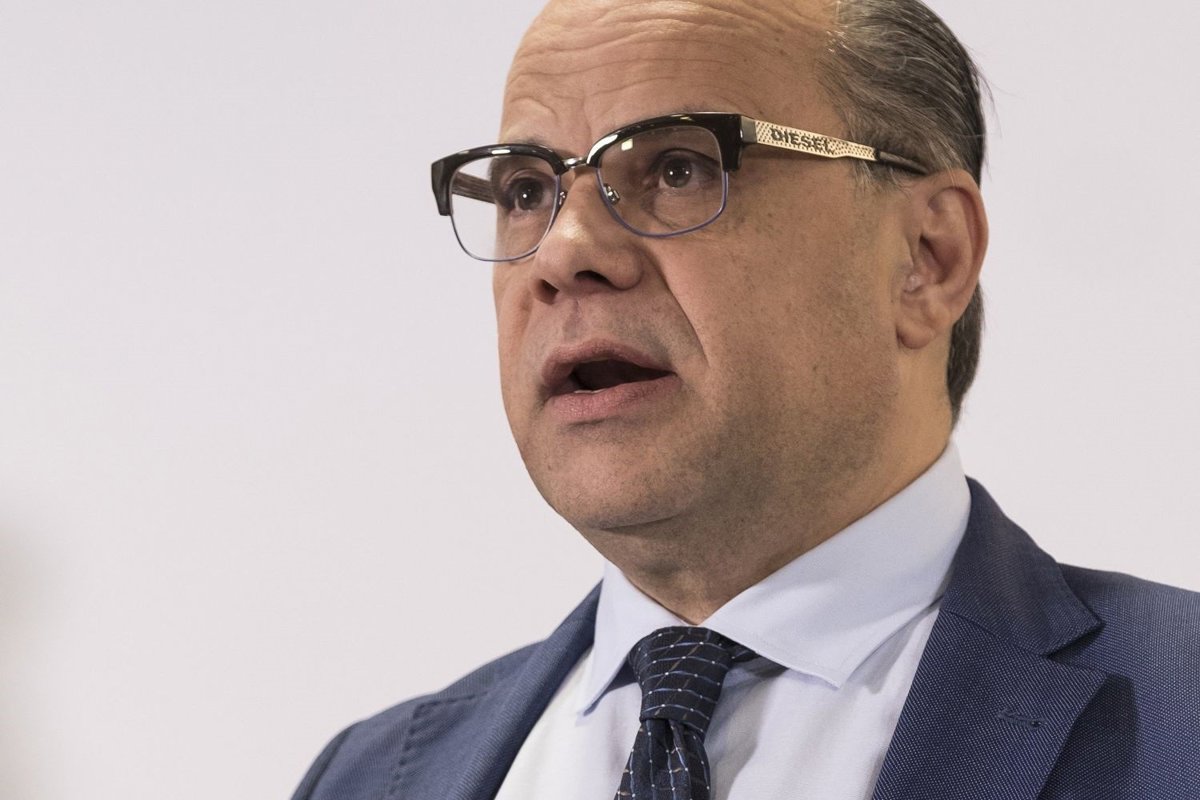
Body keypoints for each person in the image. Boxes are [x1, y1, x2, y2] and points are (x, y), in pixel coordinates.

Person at [292, 0, 1199, 797]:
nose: (564, 253)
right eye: (527, 190)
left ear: (928, 259)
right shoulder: (367, 779)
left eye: (679, 168)